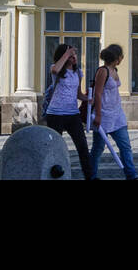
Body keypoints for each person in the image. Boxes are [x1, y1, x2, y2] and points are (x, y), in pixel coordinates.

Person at [88, 44, 138, 180]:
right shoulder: (103, 71)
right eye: (121, 56)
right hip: (104, 114)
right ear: (116, 57)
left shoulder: (114, 70)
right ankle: (91, 176)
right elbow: (98, 94)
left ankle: (131, 175)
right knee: (98, 148)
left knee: (125, 146)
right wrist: (98, 115)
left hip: (117, 114)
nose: (122, 58)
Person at [43, 43, 93, 179]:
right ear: (63, 56)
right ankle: (52, 173)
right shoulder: (56, 69)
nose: (73, 57)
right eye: (71, 55)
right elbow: (55, 70)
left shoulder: (78, 72)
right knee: (55, 147)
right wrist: (67, 53)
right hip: (55, 114)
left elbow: (78, 94)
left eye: (74, 54)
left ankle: (90, 176)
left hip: (72, 114)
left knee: (82, 146)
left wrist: (87, 99)